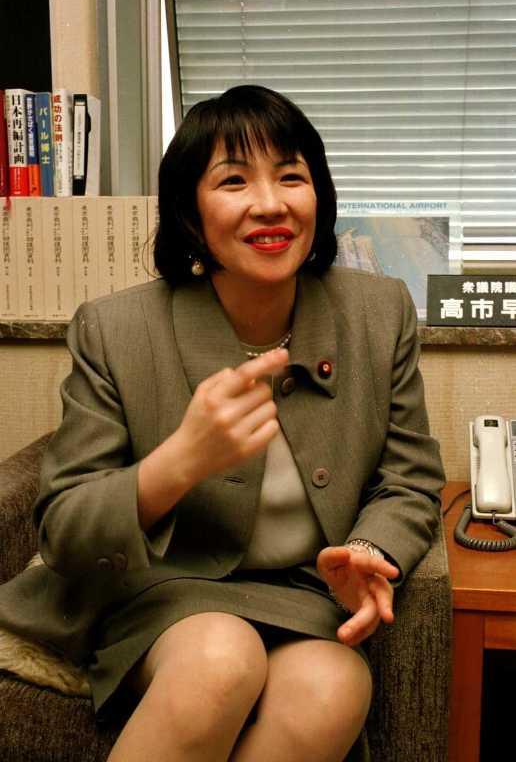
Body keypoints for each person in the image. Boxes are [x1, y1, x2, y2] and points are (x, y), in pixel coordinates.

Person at [0, 85, 444, 762]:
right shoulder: (116, 328)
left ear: (318, 195)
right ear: (190, 211)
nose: (270, 204)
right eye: (234, 181)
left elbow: (409, 478)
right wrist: (180, 461)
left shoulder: (379, 313)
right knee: (220, 659)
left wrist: (368, 548)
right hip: (159, 590)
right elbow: (63, 529)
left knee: (334, 688)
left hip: (305, 593)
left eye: (291, 176)